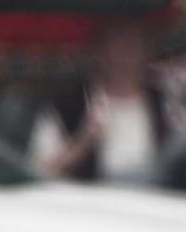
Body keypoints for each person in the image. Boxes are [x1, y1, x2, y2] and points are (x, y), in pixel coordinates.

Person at [25, 14, 171, 180]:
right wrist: (82, 142)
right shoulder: (68, 106)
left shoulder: (165, 102)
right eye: (118, 42)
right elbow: (35, 172)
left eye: (135, 41)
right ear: (99, 51)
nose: (128, 52)